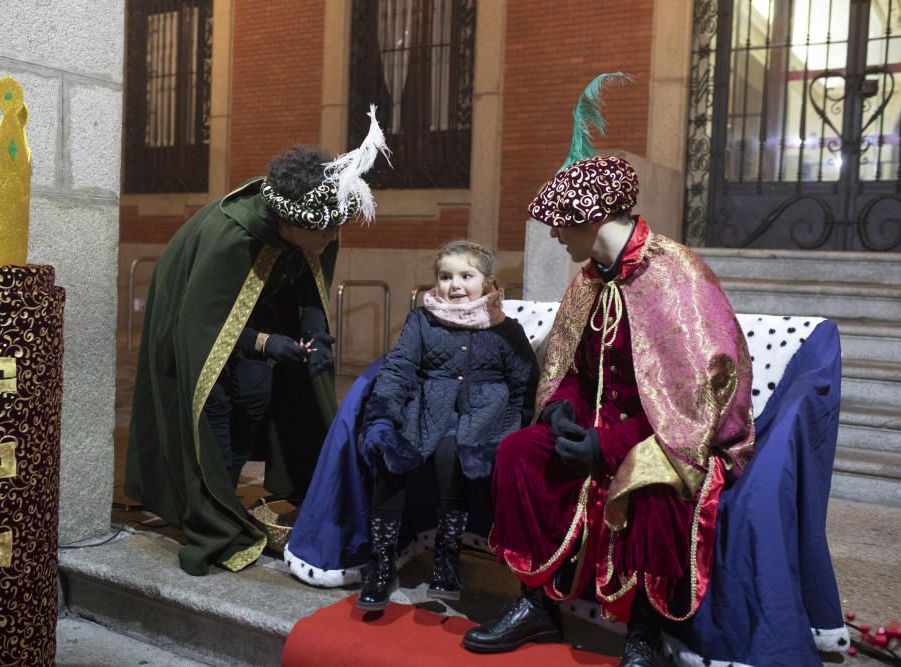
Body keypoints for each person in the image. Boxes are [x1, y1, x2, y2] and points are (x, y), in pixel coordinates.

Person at [461, 76, 754, 667]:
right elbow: (571, 364)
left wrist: (607, 445)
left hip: (666, 439)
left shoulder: (677, 278)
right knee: (520, 451)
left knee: (654, 485)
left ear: (590, 220)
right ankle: (536, 603)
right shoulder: (591, 279)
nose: (551, 234)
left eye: (558, 223)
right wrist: (563, 408)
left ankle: (644, 630)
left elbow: (698, 400)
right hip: (592, 426)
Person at [125, 109, 389, 576]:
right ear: (288, 223)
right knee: (216, 417)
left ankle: (236, 499)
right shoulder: (233, 237)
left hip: (255, 335)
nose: (332, 238)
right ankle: (214, 513)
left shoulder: (315, 227)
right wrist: (268, 344)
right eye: (324, 231)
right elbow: (201, 326)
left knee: (256, 398)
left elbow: (308, 285)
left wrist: (313, 332)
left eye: (336, 229)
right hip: (203, 338)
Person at [352, 240, 539, 610]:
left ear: (487, 282)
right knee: (392, 456)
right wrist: (383, 415)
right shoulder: (421, 320)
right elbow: (400, 367)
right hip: (427, 410)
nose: (455, 285)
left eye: (466, 276)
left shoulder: (507, 329)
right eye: (445, 276)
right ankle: (382, 560)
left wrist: (519, 428)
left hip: (484, 415)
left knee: (452, 456)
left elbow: (524, 382)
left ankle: (448, 557)